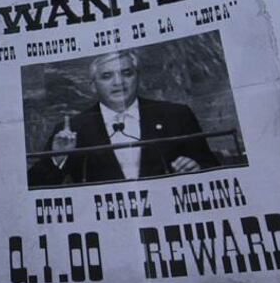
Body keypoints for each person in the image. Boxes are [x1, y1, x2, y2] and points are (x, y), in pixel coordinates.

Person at [27, 49, 217, 188]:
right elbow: (35, 186)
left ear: (137, 77)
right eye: (107, 76)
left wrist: (196, 168)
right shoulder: (72, 129)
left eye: (126, 73)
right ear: (93, 86)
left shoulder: (177, 115)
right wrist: (58, 157)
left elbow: (212, 167)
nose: (118, 82)